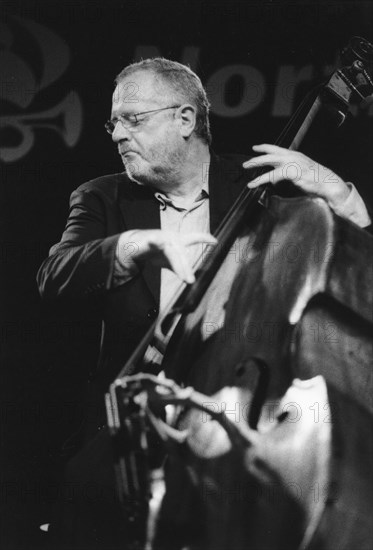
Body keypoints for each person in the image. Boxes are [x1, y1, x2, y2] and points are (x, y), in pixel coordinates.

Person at [37, 57, 371, 548]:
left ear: (186, 119)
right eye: (114, 123)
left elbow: (356, 273)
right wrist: (132, 245)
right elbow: (54, 276)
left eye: (133, 119)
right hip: (136, 424)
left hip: (236, 414)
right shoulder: (101, 198)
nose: (117, 135)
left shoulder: (265, 185)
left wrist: (341, 199)